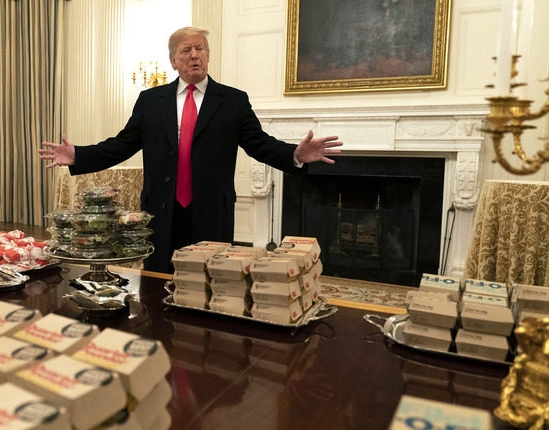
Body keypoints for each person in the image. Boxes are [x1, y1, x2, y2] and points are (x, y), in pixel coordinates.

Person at [40, 26, 342, 273]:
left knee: (211, 281)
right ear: (173, 60)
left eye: (200, 49)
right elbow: (122, 144)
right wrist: (79, 155)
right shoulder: (151, 100)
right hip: (161, 210)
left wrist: (294, 155)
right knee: (159, 280)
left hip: (211, 210)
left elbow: (258, 144)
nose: (194, 55)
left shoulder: (233, 101)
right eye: (186, 50)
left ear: (208, 56)